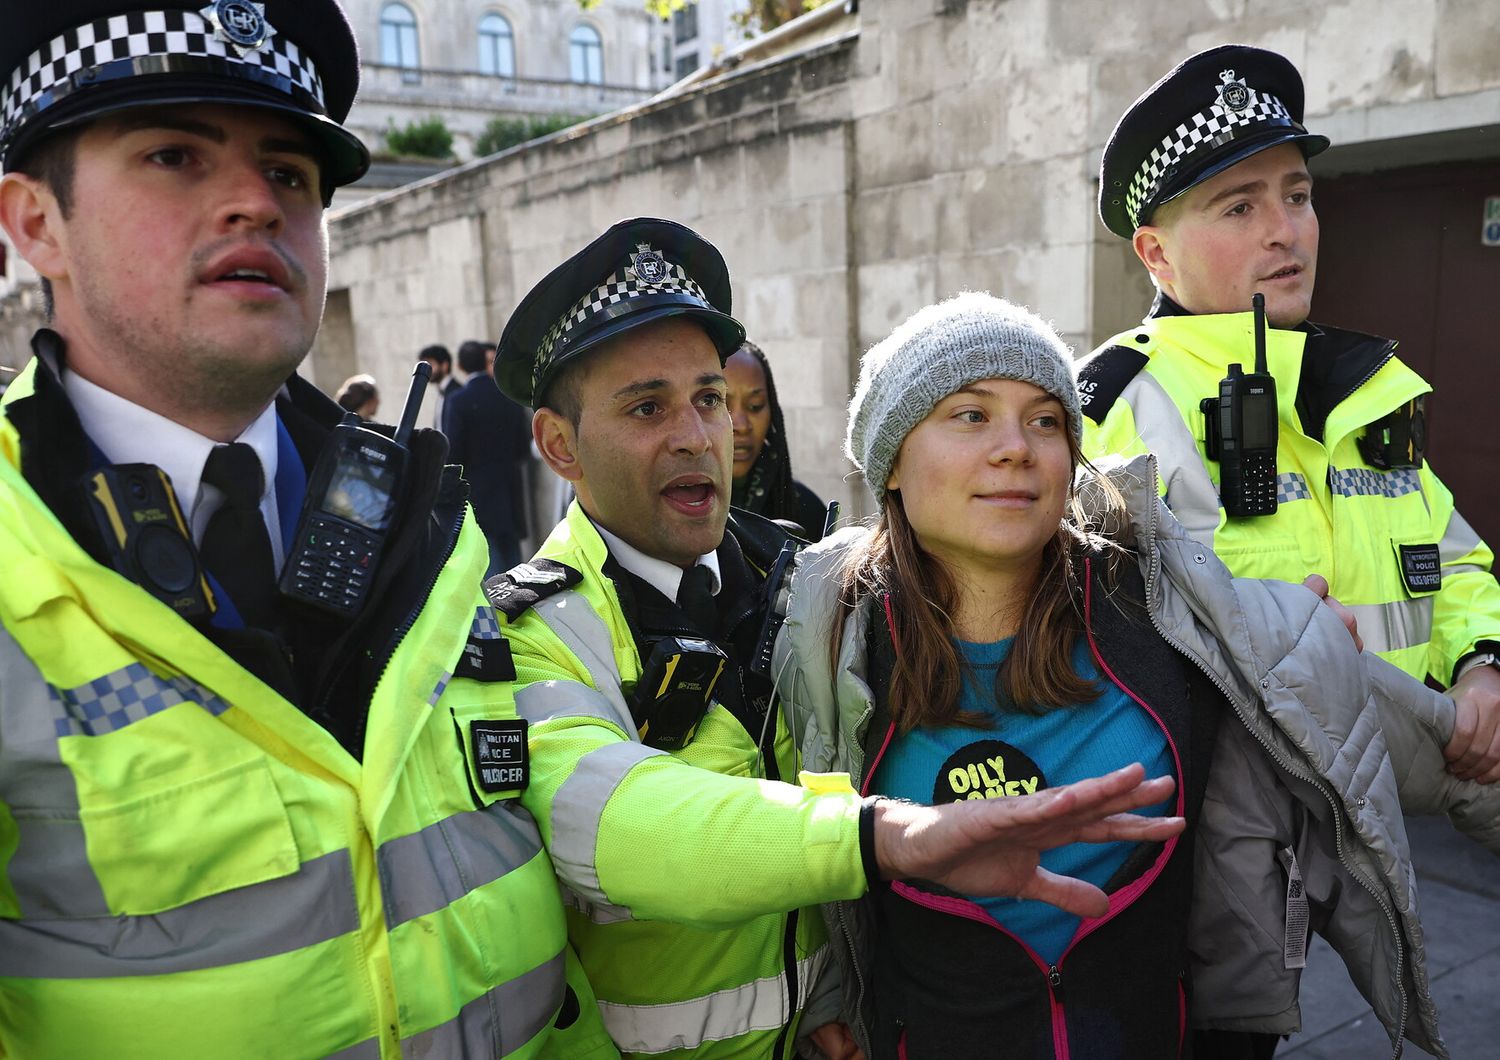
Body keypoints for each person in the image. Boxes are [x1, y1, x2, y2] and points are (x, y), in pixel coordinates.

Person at [0, 2, 614, 1055]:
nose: (254, 201)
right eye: (174, 155)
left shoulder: (428, 517)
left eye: (290, 173)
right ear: (32, 223)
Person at [489, 218, 1186, 1059]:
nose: (696, 435)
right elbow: (621, 821)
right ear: (559, 445)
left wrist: (829, 987)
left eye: (709, 398)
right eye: (647, 407)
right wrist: (883, 837)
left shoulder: (810, 588)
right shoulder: (533, 631)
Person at [776, 292, 1500, 1060]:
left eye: (1046, 420)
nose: (1016, 447)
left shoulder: (1175, 617)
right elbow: (801, 835)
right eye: (970, 415)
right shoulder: (827, 641)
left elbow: (1441, 753)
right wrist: (827, 985)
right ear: (891, 463)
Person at [1079, 44, 1500, 786]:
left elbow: (1455, 558)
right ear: (1156, 255)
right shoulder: (1110, 407)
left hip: (1393, 805)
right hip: (1222, 820)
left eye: (1297, 195)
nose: (1287, 230)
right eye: (1241, 206)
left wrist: (1483, 664)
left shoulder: (1367, 390)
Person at [725, 340, 828, 539]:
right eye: (720, 403)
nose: (742, 425)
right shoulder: (678, 510)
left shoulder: (805, 508)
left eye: (755, 406)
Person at [446, 338, 532, 574]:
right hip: (509, 488)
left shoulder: (459, 401)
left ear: (461, 366)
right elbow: (522, 447)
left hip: (477, 491)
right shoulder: (508, 397)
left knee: (490, 562)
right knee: (514, 560)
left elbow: (454, 453)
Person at [417, 342, 460, 431]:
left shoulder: (456, 392)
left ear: (444, 365)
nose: (427, 370)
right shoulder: (442, 392)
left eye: (431, 364)